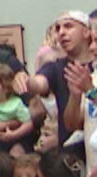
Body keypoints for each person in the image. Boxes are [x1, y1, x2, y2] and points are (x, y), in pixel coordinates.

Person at [28, 12, 90, 151]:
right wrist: (25, 81)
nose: (61, 33)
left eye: (68, 26)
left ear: (86, 32)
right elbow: (40, 83)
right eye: (58, 28)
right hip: (70, 157)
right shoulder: (56, 67)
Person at [0, 64, 37, 154]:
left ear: (6, 88)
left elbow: (28, 123)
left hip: (8, 139)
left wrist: (14, 134)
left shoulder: (15, 104)